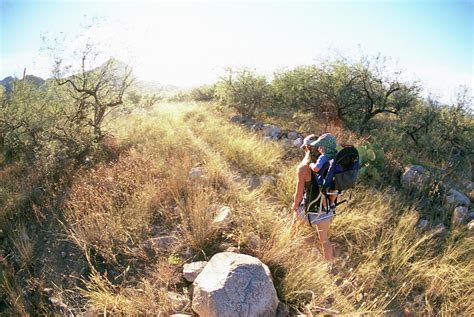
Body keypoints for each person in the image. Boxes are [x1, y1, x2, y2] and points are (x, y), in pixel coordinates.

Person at [291, 133, 335, 261]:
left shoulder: (303, 168)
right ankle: (329, 266)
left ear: (307, 149)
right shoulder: (330, 164)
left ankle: (288, 250)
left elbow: (298, 195)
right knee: (324, 240)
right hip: (325, 210)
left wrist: (294, 207)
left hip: (307, 210)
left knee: (293, 231)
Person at [309, 133, 338, 213]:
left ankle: (326, 206)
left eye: (320, 146)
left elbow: (316, 168)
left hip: (325, 181)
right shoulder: (337, 155)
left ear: (324, 148)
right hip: (336, 180)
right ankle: (332, 202)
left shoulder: (323, 157)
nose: (319, 148)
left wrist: (311, 165)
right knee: (335, 190)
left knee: (322, 192)